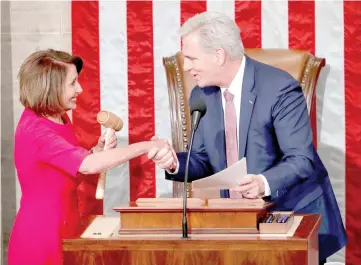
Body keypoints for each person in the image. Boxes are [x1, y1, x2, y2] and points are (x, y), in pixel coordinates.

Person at [148, 11, 347, 264]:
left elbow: (301, 159)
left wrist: (263, 183)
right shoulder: (202, 94)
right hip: (232, 224)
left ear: (219, 55)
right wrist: (173, 162)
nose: (186, 67)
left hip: (289, 214)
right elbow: (202, 160)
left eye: (191, 58)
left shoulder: (279, 88)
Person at [8, 49, 168, 265]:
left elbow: (68, 171)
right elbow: (87, 166)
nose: (80, 89)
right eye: (73, 83)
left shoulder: (60, 118)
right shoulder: (35, 130)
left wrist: (96, 151)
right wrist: (145, 146)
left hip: (67, 226)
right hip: (41, 237)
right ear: (51, 86)